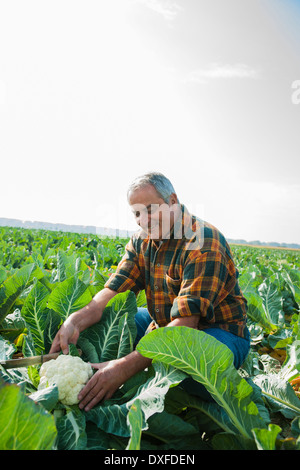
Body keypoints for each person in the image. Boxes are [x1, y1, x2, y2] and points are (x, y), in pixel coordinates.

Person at [50, 172, 250, 410]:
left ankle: (239, 389)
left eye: (150, 209)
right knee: (107, 322)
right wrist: (75, 320)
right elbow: (112, 292)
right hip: (162, 325)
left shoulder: (203, 241)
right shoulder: (141, 241)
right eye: (136, 213)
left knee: (185, 371)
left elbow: (186, 325)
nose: (143, 220)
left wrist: (126, 365)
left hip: (217, 334)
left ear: (172, 202)